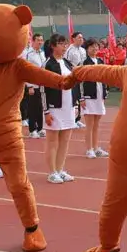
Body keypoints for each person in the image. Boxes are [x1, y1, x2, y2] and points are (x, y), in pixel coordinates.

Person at [43, 33, 82, 183]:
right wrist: (46, 111)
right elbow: (43, 89)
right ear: (53, 46)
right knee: (53, 141)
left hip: (68, 107)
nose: (64, 47)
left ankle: (60, 170)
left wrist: (76, 104)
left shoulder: (67, 63)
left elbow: (74, 84)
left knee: (65, 140)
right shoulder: (48, 64)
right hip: (54, 108)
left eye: (65, 44)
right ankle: (52, 172)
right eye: (61, 44)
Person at [80, 39, 109, 158]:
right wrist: (81, 98)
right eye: (92, 46)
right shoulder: (84, 63)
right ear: (87, 49)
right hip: (88, 97)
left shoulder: (101, 61)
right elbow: (79, 81)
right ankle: (89, 149)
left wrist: (105, 93)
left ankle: (96, 148)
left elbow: (105, 78)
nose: (95, 48)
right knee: (89, 125)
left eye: (96, 46)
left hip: (99, 96)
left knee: (96, 124)